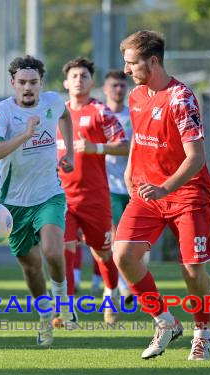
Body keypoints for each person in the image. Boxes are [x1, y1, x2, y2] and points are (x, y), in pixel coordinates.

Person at [114, 30, 210, 361]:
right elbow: (140, 138)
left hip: (186, 195)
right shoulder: (136, 96)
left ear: (152, 61)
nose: (126, 71)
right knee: (123, 255)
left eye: (131, 64)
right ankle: (164, 321)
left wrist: (165, 187)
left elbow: (196, 157)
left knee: (192, 271)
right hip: (147, 193)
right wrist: (131, 168)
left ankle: (202, 334)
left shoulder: (181, 99)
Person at [0, 55, 75, 347]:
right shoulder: (1, 113)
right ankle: (45, 319)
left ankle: (63, 303)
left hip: (50, 194)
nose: (27, 88)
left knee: (51, 250)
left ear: (41, 84)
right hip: (13, 204)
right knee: (31, 266)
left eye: (33, 82)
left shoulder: (52, 101)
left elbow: (65, 116)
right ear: (13, 83)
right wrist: (25, 135)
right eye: (22, 82)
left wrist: (69, 152)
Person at [56, 57, 129, 324]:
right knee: (64, 248)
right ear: (66, 82)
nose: (78, 80)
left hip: (96, 197)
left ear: (92, 82)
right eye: (74, 76)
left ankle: (110, 294)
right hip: (62, 196)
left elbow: (125, 145)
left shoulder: (101, 112)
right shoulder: (56, 113)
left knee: (102, 253)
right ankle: (67, 308)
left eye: (83, 76)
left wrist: (96, 148)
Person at [102, 70, 138, 303]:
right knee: (116, 235)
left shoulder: (132, 115)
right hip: (109, 185)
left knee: (134, 238)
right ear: (105, 89)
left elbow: (135, 148)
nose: (118, 89)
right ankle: (123, 287)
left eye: (122, 86)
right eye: (114, 85)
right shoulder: (99, 115)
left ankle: (126, 282)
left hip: (135, 184)